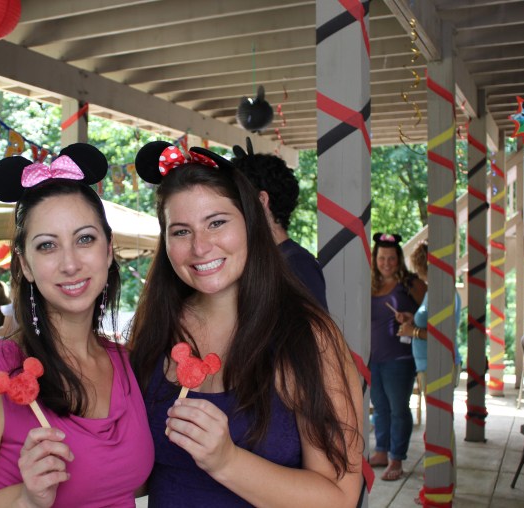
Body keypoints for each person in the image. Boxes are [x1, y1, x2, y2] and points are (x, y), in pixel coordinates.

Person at [0, 144, 154, 508]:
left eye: (85, 239)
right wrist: (23, 499)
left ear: (108, 250)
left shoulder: (128, 363)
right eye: (47, 246)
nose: (70, 263)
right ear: (25, 264)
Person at [128, 141, 363, 507]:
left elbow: (340, 498)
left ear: (252, 223)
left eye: (216, 223)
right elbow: (139, 477)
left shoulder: (307, 337)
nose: (200, 246)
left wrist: (227, 461)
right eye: (181, 231)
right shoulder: (153, 330)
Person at [232, 139, 328, 309]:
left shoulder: (297, 264)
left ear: (261, 200)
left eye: (237, 198)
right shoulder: (264, 259)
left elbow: (316, 325)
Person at [369, 232, 426, 481]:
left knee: (398, 409)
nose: (386, 263)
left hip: (400, 359)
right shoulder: (370, 284)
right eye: (382, 258)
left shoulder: (411, 284)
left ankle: (396, 459)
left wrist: (411, 319)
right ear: (375, 259)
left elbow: (431, 313)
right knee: (380, 407)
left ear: (399, 259)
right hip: (374, 358)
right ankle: (381, 451)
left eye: (391, 258)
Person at [396, 241, 462, 391]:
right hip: (428, 364)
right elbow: (431, 321)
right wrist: (412, 319)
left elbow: (443, 334)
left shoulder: (441, 293)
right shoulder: (434, 291)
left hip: (437, 364)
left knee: (437, 406)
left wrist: (412, 331)